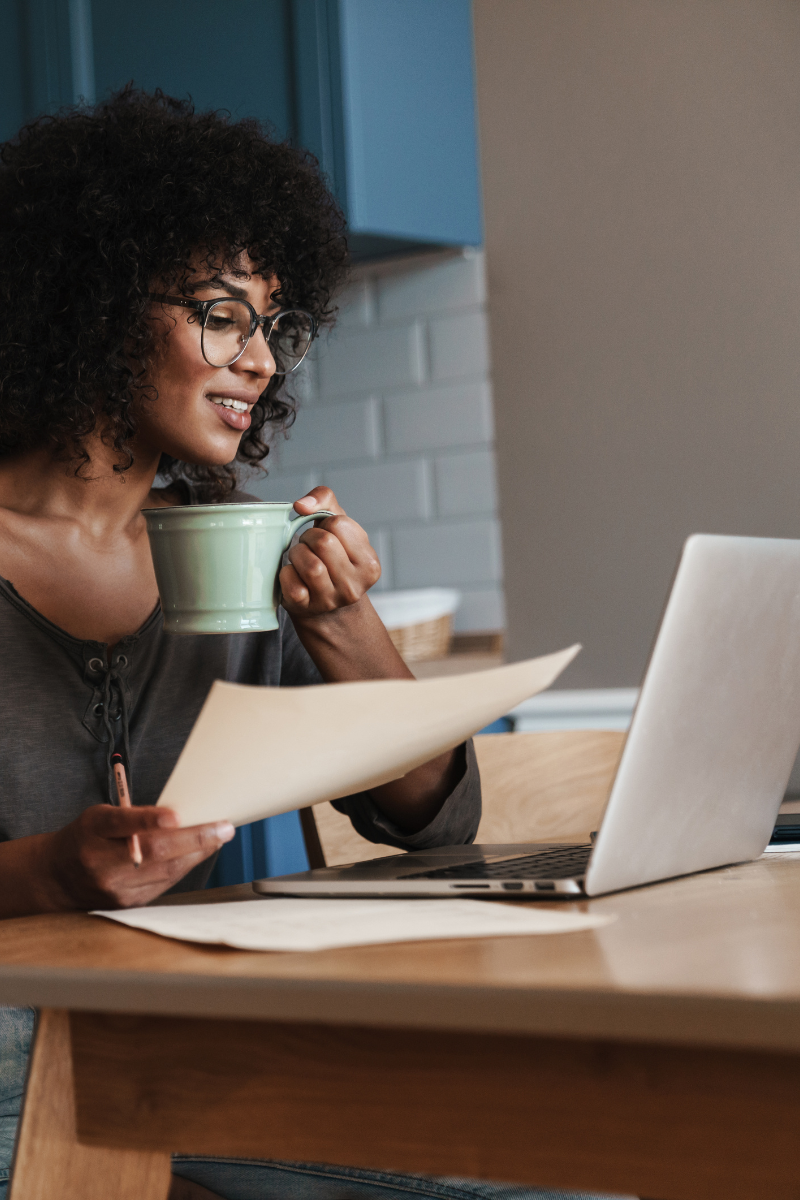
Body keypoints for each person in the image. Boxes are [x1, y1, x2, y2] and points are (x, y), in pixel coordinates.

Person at [0, 89, 627, 1200]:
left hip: (192, 1029)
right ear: (89, 297)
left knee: (576, 1147)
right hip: (27, 1052)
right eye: (221, 314)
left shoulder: (229, 547)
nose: (261, 362)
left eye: (272, 327)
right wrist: (51, 870)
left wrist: (340, 624)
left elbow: (432, 819)